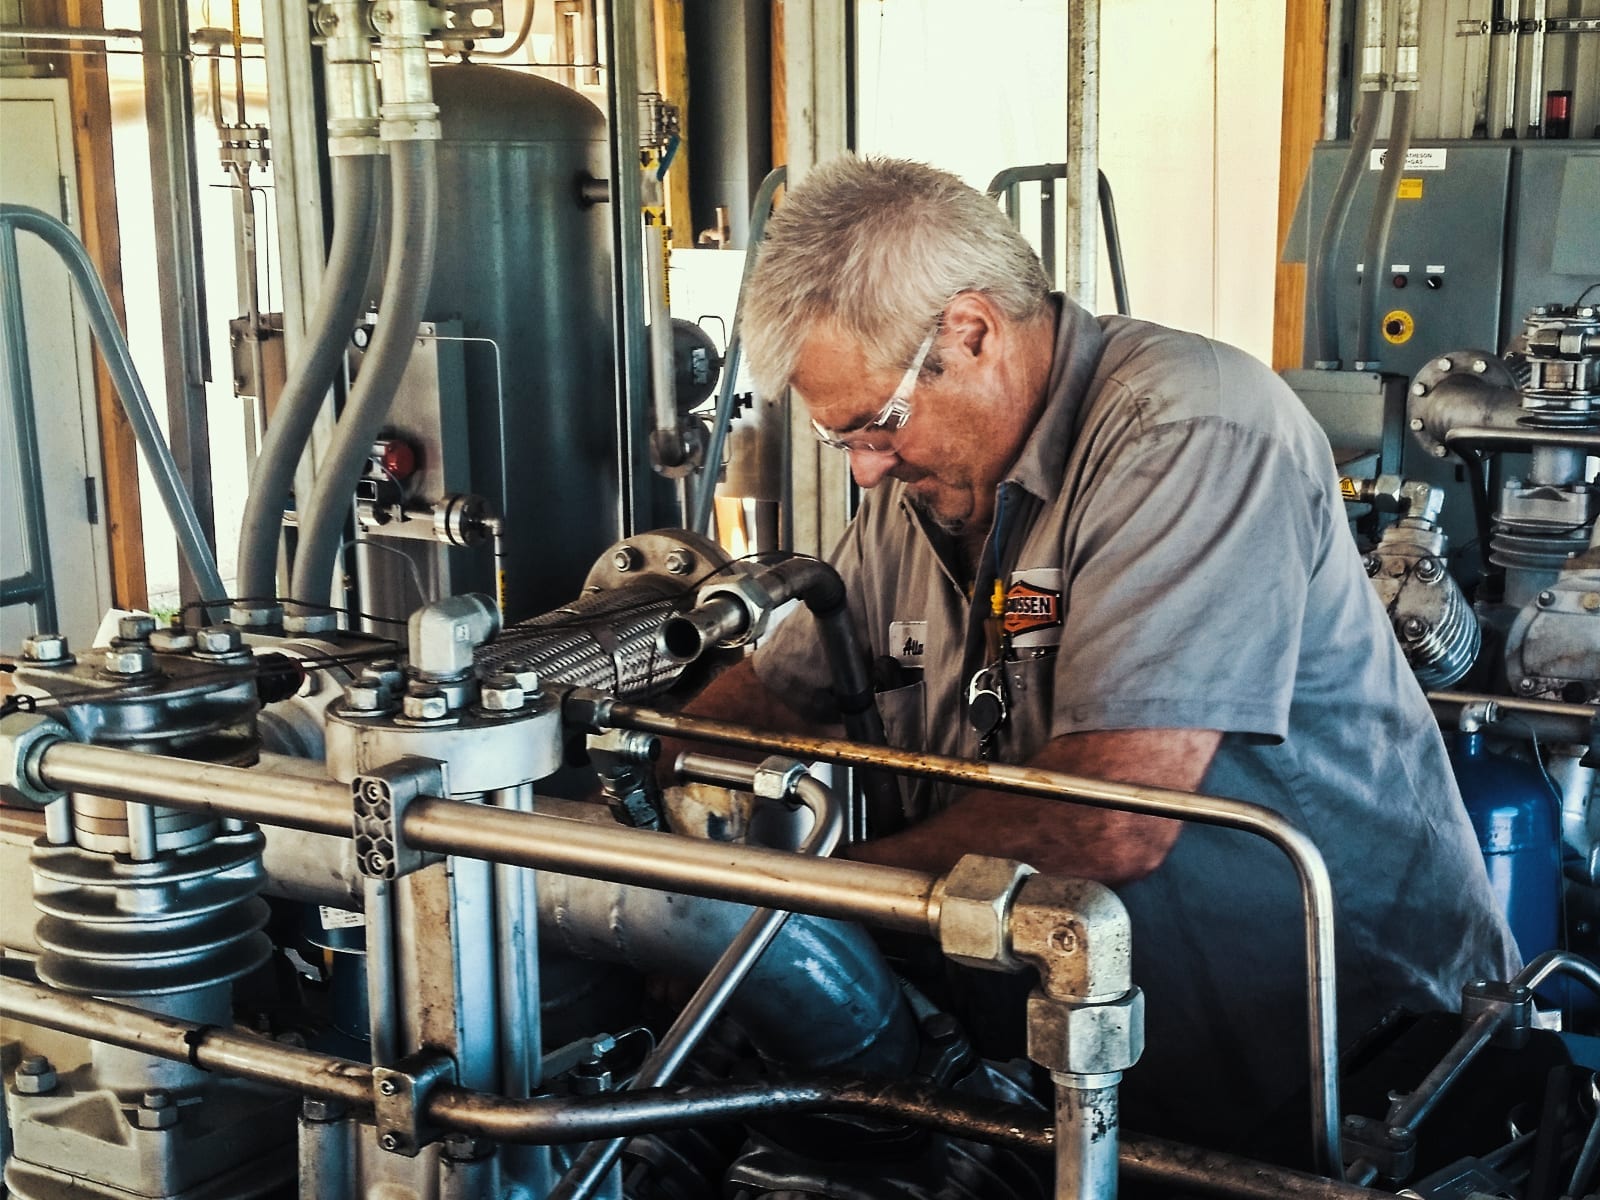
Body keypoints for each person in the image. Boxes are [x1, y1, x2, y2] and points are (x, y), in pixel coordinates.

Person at [682, 154, 1518, 1158]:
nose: (864, 470)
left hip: (1345, 1075)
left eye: (877, 424)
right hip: (1094, 1070)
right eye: (839, 439)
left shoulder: (1191, 429)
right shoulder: (923, 494)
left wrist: (807, 909)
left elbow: (1112, 819)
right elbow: (791, 687)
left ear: (972, 331)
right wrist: (643, 783)